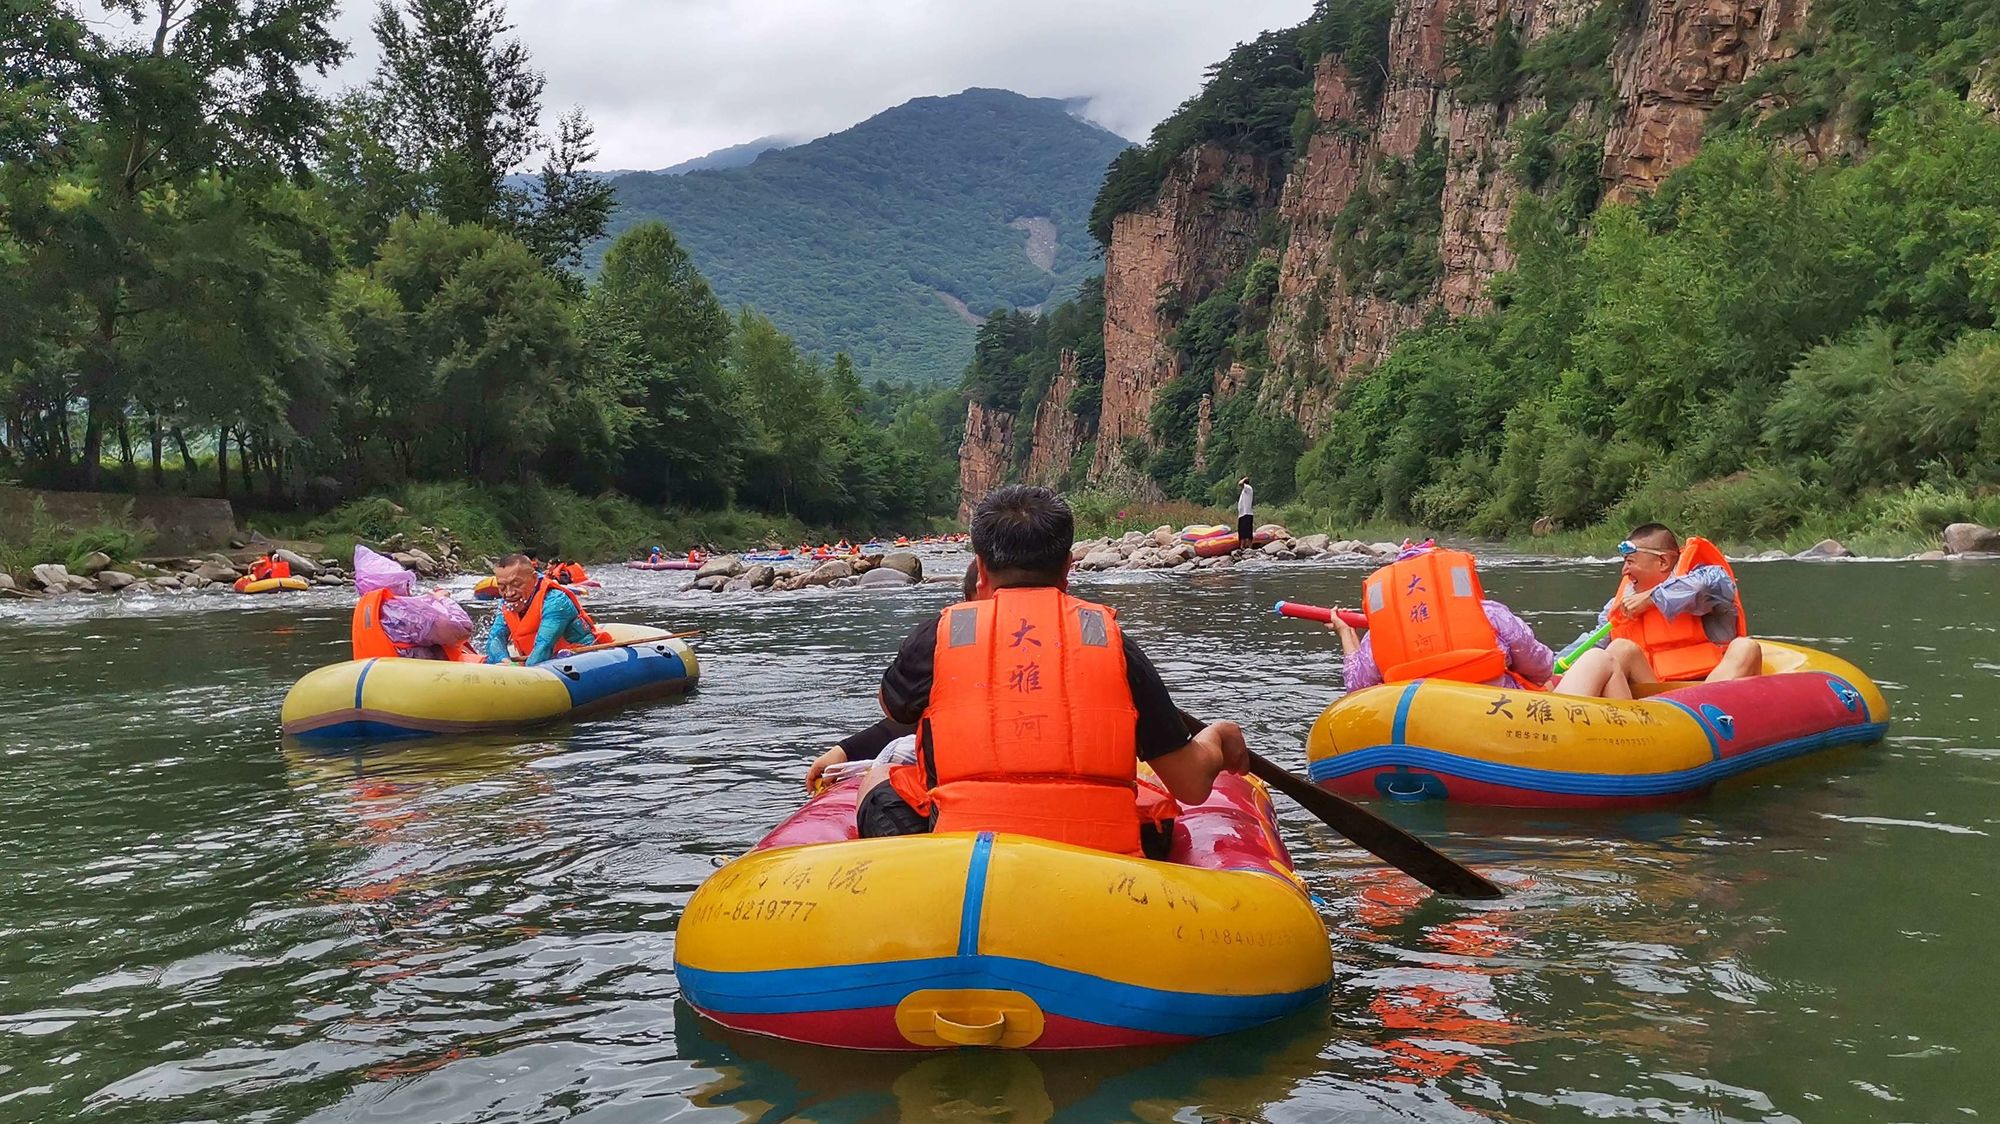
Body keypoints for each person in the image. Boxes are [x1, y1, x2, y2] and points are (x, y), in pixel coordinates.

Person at [852, 485, 1249, 857]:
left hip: (968, 859)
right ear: (1067, 566)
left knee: (880, 778)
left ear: (980, 568)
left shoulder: (939, 637)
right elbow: (1192, 785)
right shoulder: (1113, 643)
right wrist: (1219, 736)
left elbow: (894, 710)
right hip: (1103, 864)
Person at [1557, 523, 1761, 698]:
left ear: (1662, 561)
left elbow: (1711, 582)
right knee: (1620, 648)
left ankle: (1702, 716)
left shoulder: (1707, 580)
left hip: (1710, 695)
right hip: (1656, 701)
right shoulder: (1620, 603)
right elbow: (1593, 642)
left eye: (1630, 562)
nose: (1624, 571)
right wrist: (1549, 667)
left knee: (1746, 647)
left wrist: (1651, 598)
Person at [1330, 541, 1554, 690]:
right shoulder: (1491, 614)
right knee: (1590, 662)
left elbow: (1357, 686)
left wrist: (1346, 635)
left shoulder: (1380, 635)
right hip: (1496, 714)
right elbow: (1540, 667)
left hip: (1423, 725)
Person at [483, 553, 611, 666]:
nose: (509, 593)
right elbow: (495, 637)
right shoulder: (506, 604)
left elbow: (543, 646)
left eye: (516, 585)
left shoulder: (555, 601)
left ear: (534, 578)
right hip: (537, 661)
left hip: (578, 658)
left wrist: (520, 672)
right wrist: (505, 662)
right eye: (502, 587)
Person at [1236, 477, 1255, 552]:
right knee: (1242, 531)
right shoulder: (1244, 491)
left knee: (1248, 530)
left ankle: (1249, 546)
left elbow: (1240, 483)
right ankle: (1242, 546)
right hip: (1242, 514)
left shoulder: (1248, 488)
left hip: (1247, 513)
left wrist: (1244, 479)